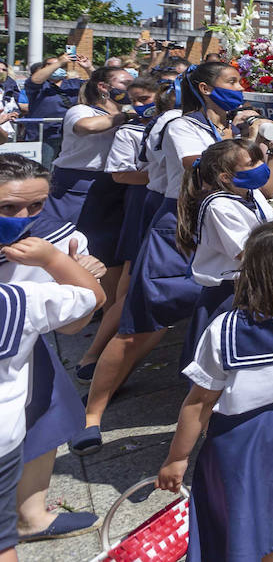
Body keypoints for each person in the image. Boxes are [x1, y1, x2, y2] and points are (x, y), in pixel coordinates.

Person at [75, 61, 273, 455]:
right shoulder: (181, 124)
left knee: (229, 321)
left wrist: (265, 143)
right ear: (205, 88)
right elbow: (203, 170)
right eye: (232, 82)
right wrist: (251, 140)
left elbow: (262, 184)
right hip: (181, 229)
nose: (241, 89)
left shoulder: (233, 127)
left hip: (235, 229)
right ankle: (91, 415)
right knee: (141, 324)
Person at [157, 222, 273, 562]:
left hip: (243, 439)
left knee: (238, 513)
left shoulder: (226, 331)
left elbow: (200, 401)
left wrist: (178, 457)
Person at [0, 155, 107, 544]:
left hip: (24, 347)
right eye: (8, 207)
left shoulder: (57, 236)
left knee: (46, 413)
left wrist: (70, 268)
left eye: (36, 205)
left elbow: (75, 324)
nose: (24, 215)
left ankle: (31, 515)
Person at [73, 76, 162, 379]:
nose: (139, 106)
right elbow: (121, 175)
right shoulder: (130, 130)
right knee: (132, 278)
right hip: (145, 203)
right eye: (134, 100)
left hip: (167, 201)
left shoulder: (177, 125)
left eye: (145, 98)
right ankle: (96, 354)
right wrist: (168, 177)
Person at [180, 139, 273, 367]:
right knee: (223, 360)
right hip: (229, 294)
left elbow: (272, 233)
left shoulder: (252, 193)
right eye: (252, 162)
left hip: (255, 285)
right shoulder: (218, 206)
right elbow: (250, 252)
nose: (261, 166)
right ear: (225, 177)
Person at [47, 66, 135, 273]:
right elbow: (86, 126)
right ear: (104, 87)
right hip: (76, 187)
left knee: (107, 253)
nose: (131, 89)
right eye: (126, 84)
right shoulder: (81, 110)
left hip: (114, 186)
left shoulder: (132, 114)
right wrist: (124, 117)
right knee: (67, 244)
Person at [22, 53, 89, 158]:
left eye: (61, 66)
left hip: (70, 134)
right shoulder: (38, 85)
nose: (57, 67)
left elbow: (100, 83)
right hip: (44, 136)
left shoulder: (74, 84)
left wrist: (89, 67)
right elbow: (35, 80)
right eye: (50, 65)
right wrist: (59, 62)